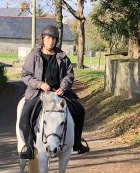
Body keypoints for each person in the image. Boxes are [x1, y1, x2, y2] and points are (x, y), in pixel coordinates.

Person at [18, 25, 90, 159]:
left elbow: (69, 75)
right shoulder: (34, 55)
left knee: (80, 110)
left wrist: (63, 87)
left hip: (58, 92)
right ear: (43, 39)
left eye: (54, 38)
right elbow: (25, 74)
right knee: (25, 115)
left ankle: (77, 143)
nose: (51, 41)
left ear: (56, 40)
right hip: (37, 93)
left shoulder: (62, 56)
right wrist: (40, 84)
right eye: (48, 38)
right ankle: (29, 147)